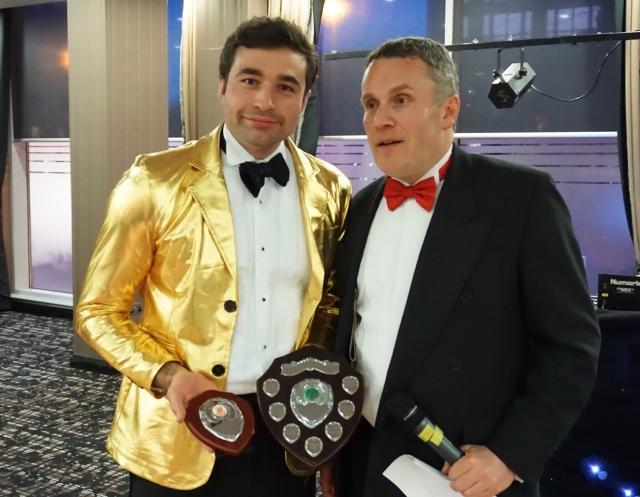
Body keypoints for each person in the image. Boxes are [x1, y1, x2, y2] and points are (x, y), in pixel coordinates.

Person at [75, 16, 350, 497]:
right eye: (250, 81)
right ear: (223, 87)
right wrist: (168, 376)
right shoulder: (154, 181)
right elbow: (97, 311)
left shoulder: (330, 190)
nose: (265, 101)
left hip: (286, 435)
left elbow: (329, 305)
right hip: (178, 428)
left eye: (286, 86)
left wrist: (320, 409)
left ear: (305, 100)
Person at [328, 37, 600, 497]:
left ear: (448, 110)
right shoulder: (359, 208)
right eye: (371, 104)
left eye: (401, 100)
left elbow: (571, 349)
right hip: (363, 464)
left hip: (463, 472)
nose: (380, 119)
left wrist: (510, 455)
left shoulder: (520, 198)